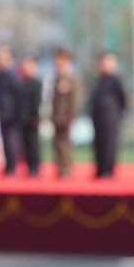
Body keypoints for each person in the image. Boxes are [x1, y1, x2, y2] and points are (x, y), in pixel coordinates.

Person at [89, 51, 127, 179]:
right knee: (99, 144)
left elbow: (123, 100)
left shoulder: (115, 80)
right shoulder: (99, 80)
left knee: (109, 144)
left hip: (111, 117)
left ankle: (108, 171)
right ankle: (100, 169)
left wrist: (117, 115)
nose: (103, 65)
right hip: (98, 118)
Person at [51, 48, 81, 178]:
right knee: (58, 143)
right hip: (57, 116)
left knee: (65, 143)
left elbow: (76, 98)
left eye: (62, 60)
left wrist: (72, 115)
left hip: (66, 116)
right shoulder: (57, 78)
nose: (59, 63)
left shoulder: (72, 78)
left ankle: (66, 168)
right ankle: (60, 167)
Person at [0, 46, 21, 176]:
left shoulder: (13, 75)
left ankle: (12, 167)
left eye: (4, 58)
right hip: (2, 113)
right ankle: (8, 166)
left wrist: (16, 113)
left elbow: (17, 95)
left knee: (11, 142)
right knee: (4, 141)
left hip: (12, 114)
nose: (1, 61)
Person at [18, 55, 43, 177]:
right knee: (25, 145)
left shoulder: (37, 83)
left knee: (33, 145)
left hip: (33, 118)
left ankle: (35, 168)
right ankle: (28, 166)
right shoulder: (22, 83)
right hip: (23, 118)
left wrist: (36, 116)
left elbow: (37, 102)